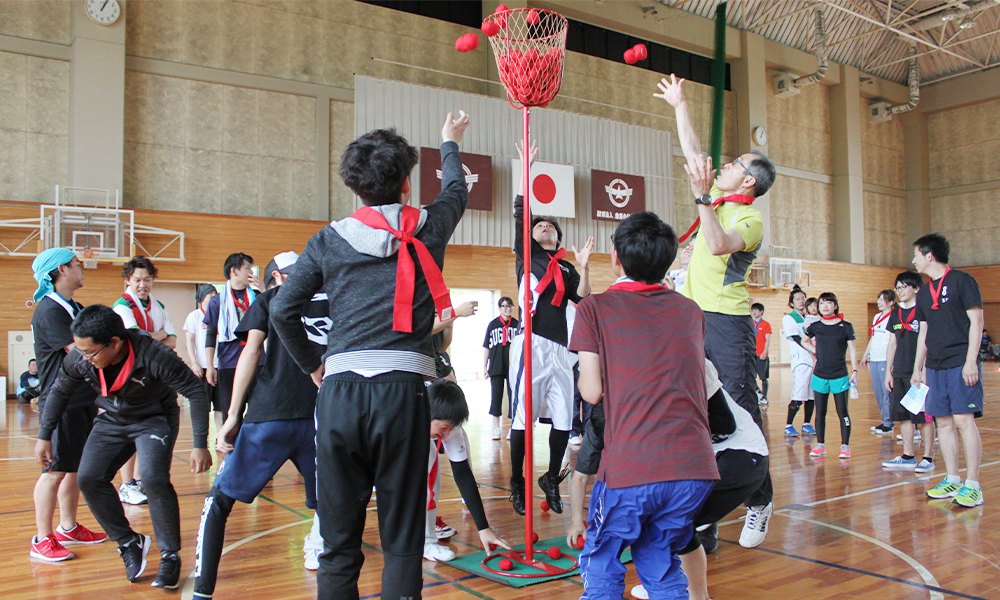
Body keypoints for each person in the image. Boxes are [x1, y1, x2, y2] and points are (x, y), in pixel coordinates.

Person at [270, 111, 471, 600]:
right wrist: (449, 142)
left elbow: (281, 309)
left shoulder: (328, 239)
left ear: (355, 187)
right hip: (404, 395)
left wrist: (315, 365)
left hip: (339, 394)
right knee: (403, 539)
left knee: (337, 543)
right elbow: (456, 190)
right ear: (406, 184)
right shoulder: (430, 224)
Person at [570, 211, 718, 600]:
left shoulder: (593, 308)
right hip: (695, 469)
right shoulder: (691, 311)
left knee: (600, 561)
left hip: (632, 468)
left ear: (616, 257)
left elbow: (590, 392)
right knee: (658, 558)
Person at [656, 73, 776, 549]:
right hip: (691, 318)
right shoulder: (718, 199)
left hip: (725, 321)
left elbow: (718, 243)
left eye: (735, 164)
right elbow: (692, 154)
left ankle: (760, 500)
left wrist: (705, 197)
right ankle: (704, 508)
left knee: (740, 406)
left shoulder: (747, 218)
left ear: (747, 180)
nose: (723, 164)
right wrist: (680, 105)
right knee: (696, 409)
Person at [34, 305, 211, 587]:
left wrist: (200, 444)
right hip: (112, 418)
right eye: (80, 351)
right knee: (89, 478)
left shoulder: (154, 354)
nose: (84, 358)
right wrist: (45, 434)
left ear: (114, 343)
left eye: (90, 352)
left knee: (153, 479)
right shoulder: (82, 359)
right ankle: (129, 542)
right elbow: (59, 391)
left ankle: (170, 556)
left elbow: (196, 391)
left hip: (154, 418)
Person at [193, 252, 330, 599]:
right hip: (322, 417)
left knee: (218, 502)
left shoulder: (270, 299)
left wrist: (232, 414)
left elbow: (250, 353)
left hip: (274, 414)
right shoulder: (337, 300)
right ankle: (321, 558)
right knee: (332, 503)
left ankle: (201, 590)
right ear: (279, 277)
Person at [618, 360, 770, 600]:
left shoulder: (688, 361)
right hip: (709, 461)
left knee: (671, 523)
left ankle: (687, 591)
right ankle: (678, 587)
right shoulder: (643, 370)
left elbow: (724, 423)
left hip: (743, 457)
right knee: (666, 522)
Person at [508, 139, 594, 517]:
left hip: (562, 350)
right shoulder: (525, 256)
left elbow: (585, 301)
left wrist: (586, 267)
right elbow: (520, 212)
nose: (544, 226)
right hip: (531, 344)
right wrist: (526, 168)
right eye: (539, 225)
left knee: (563, 421)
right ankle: (516, 480)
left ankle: (549, 479)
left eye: (550, 226)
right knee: (524, 420)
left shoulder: (567, 268)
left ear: (557, 237)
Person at [28, 248, 106, 562]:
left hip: (83, 399)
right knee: (53, 471)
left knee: (72, 469)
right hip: (61, 402)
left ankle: (68, 527)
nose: (82, 268)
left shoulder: (73, 306)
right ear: (61, 269)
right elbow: (80, 351)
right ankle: (41, 538)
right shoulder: (49, 310)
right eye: (76, 264)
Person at [911, 233, 985, 507]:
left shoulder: (963, 281)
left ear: (929, 255)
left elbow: (976, 321)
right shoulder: (923, 294)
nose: (913, 260)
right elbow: (923, 332)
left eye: (916, 254)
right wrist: (918, 367)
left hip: (960, 362)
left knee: (964, 421)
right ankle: (952, 479)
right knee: (942, 422)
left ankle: (973, 484)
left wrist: (970, 360)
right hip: (936, 366)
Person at [112, 255, 178, 506]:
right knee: (130, 433)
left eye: (147, 279)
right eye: (137, 279)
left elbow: (172, 340)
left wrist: (156, 336)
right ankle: (126, 484)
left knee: (148, 430)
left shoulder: (158, 305)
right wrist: (159, 334)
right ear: (128, 280)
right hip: (129, 379)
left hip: (155, 378)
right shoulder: (122, 306)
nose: (143, 284)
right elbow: (137, 342)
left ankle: (138, 482)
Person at [422, 380, 510, 562]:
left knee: (431, 481)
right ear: (428, 413)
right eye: (443, 427)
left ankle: (426, 542)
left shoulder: (451, 429)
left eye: (450, 428)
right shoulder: (403, 413)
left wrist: (483, 528)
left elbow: (463, 474)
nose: (445, 433)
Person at [881, 271, 936, 473]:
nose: (900, 291)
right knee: (903, 416)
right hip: (900, 372)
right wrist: (888, 372)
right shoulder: (895, 313)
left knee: (923, 417)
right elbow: (892, 343)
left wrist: (923, 370)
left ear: (916, 288)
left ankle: (928, 458)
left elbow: (929, 342)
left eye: (903, 287)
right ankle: (908, 456)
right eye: (897, 287)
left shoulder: (925, 311)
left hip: (920, 373)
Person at [204, 252, 262, 433]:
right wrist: (210, 366)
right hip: (229, 363)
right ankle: (230, 454)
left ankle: (254, 451)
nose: (250, 272)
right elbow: (211, 334)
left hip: (257, 362)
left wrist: (265, 290)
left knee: (259, 411)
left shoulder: (259, 297)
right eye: (247, 268)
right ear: (234, 271)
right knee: (231, 413)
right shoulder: (216, 301)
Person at [802, 293, 859, 460]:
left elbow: (853, 350)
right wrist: (817, 352)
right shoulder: (815, 326)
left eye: (829, 302)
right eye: (821, 303)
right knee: (820, 412)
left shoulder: (846, 326)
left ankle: (845, 446)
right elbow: (804, 341)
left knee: (843, 412)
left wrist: (855, 371)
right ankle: (820, 445)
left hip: (839, 375)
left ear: (835, 305)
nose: (825, 306)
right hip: (820, 375)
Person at [483, 297, 518, 440]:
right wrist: (484, 367)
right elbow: (486, 347)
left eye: (509, 306)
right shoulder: (492, 325)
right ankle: (496, 427)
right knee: (496, 396)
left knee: (513, 396)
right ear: (499, 308)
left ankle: (512, 426)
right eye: (504, 306)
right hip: (496, 365)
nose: (507, 308)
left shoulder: (517, 324)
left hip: (512, 366)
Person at [783, 285, 817, 437]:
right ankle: (788, 425)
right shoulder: (789, 318)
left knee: (811, 395)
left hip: (813, 359)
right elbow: (796, 338)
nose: (801, 301)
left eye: (803, 298)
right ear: (792, 303)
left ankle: (806, 424)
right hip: (801, 359)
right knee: (799, 393)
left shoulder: (810, 318)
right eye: (797, 299)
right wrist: (811, 348)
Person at [862, 289, 896, 435]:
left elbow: (895, 341)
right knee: (878, 392)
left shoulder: (894, 316)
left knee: (886, 391)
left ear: (891, 302)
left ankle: (888, 423)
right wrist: (865, 355)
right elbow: (874, 337)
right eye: (878, 299)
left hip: (885, 358)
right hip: (874, 359)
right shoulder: (876, 317)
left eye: (882, 299)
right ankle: (885, 420)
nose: (879, 302)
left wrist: (892, 362)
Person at [183, 284, 219, 420]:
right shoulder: (194, 316)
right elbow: (190, 341)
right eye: (210, 296)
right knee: (203, 407)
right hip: (202, 367)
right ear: (202, 298)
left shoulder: (221, 314)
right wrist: (194, 362)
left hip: (220, 365)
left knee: (221, 407)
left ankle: (220, 439)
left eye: (216, 296)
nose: (214, 299)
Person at [751, 303, 771, 405]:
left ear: (761, 312)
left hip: (761, 355)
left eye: (756, 310)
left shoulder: (766, 325)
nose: (754, 312)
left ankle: (764, 397)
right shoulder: (750, 323)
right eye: (752, 310)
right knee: (750, 376)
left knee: (763, 377)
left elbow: (767, 340)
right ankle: (758, 391)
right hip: (752, 354)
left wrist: (764, 352)